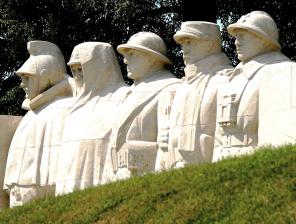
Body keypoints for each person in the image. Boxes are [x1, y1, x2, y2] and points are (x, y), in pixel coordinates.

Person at [212, 11, 296, 161]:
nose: (236, 42)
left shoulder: (282, 71)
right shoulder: (233, 77)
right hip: (223, 163)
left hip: (252, 163)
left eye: (243, 36)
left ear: (263, 39)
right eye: (236, 37)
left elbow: (279, 137)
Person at [3, 41, 72, 207]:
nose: (22, 84)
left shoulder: (65, 108)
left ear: (45, 75)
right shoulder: (31, 113)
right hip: (19, 190)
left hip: (48, 187)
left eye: (27, 77)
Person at [104, 32, 180, 181]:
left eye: (132, 54)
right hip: (118, 176)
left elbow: (168, 144)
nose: (125, 60)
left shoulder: (170, 88)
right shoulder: (128, 93)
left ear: (151, 59)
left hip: (147, 175)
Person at [55, 42, 128, 195]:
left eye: (81, 69)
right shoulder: (73, 107)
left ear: (99, 68)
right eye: (73, 70)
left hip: (105, 182)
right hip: (70, 186)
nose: (77, 76)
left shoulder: (124, 97)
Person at [163, 21, 233, 170]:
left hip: (208, 169)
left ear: (209, 44)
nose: (184, 48)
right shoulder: (182, 86)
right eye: (182, 43)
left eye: (190, 42)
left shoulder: (225, 80)